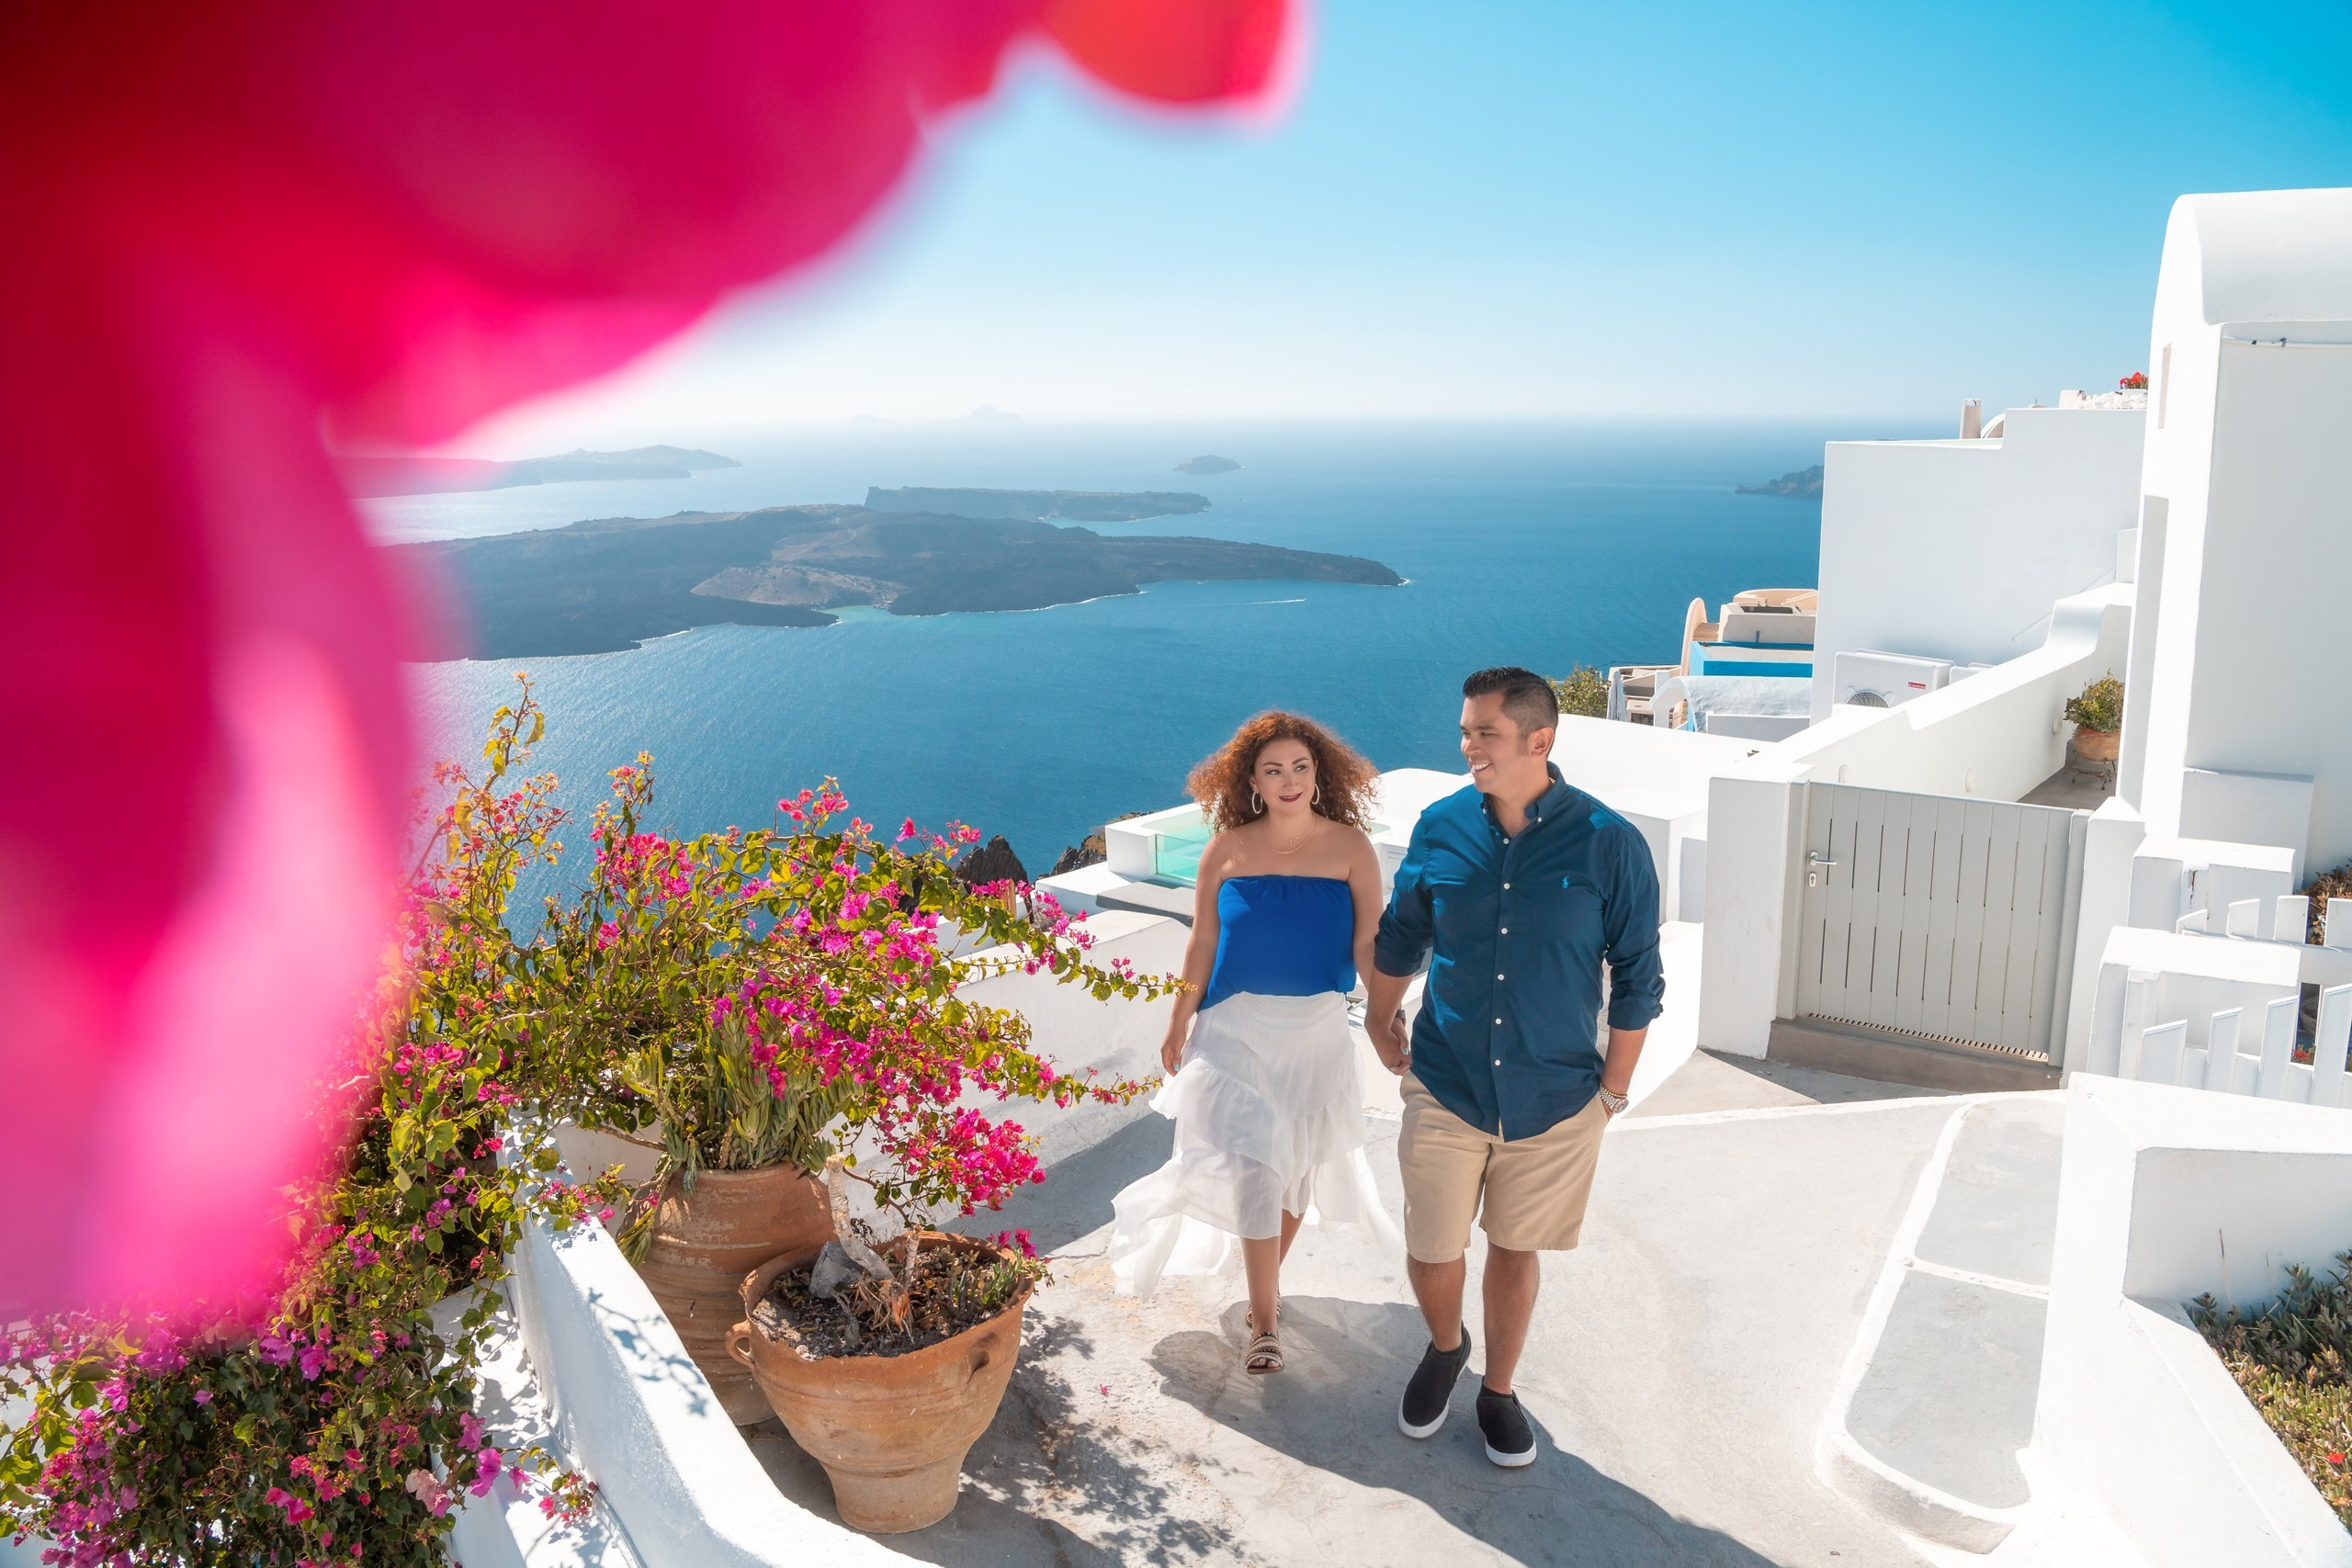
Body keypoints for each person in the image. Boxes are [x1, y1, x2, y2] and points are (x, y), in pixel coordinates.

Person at [1363, 667, 1663, 1467]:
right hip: (1447, 1077)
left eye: (1484, 734)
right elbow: (1400, 936)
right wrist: (1375, 1011)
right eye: (1464, 731)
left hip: (1558, 1096)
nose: (1468, 747)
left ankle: (1499, 1389)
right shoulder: (1441, 826)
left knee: (1515, 1247)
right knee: (1432, 1244)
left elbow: (1639, 978)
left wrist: (1612, 1093)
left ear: (1540, 739)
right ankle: (1444, 1344)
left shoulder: (1610, 843)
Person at [1106, 711, 1398, 1374]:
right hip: (1234, 1029)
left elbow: (1367, 942)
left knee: (1292, 1172)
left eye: (1300, 766)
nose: (1289, 779)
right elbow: (1202, 941)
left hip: (1317, 1032)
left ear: (1319, 773)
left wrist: (1386, 1014)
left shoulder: (1352, 848)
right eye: (1274, 770)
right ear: (1254, 782)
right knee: (1259, 1168)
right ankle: (1265, 1322)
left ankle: (1260, 1291)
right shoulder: (1226, 849)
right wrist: (1178, 1018)